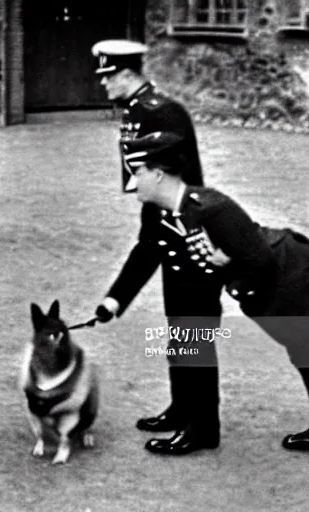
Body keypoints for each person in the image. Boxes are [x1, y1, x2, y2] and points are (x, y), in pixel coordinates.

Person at [118, 130, 309, 452]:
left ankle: (199, 427)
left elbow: (259, 262)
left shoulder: (212, 208)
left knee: (305, 351)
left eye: (138, 173)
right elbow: (152, 251)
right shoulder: (166, 211)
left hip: (289, 278)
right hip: (262, 281)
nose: (132, 182)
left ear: (158, 174)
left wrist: (228, 269)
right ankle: (194, 423)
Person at [91, 39, 224, 455]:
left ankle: (203, 427)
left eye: (107, 77)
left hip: (189, 229)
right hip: (165, 223)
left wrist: (169, 220)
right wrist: (116, 300)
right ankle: (182, 408)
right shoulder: (136, 110)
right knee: (178, 332)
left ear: (125, 74)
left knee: (194, 333)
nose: (104, 86)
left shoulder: (161, 111)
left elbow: (174, 175)